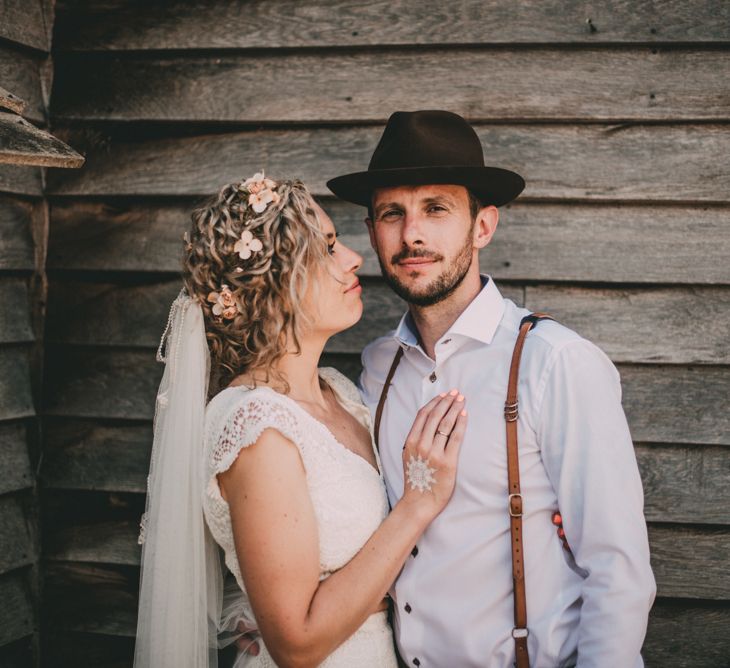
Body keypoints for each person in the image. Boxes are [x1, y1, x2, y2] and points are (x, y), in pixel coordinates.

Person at [327, 110, 657, 667]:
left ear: (482, 226)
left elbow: (617, 571)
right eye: (393, 213)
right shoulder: (377, 369)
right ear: (372, 232)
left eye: (436, 209)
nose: (412, 234)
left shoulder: (555, 364)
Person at [133, 175, 469, 667]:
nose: (353, 257)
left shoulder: (343, 392)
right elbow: (297, 641)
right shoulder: (257, 427)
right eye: (328, 248)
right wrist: (418, 504)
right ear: (276, 283)